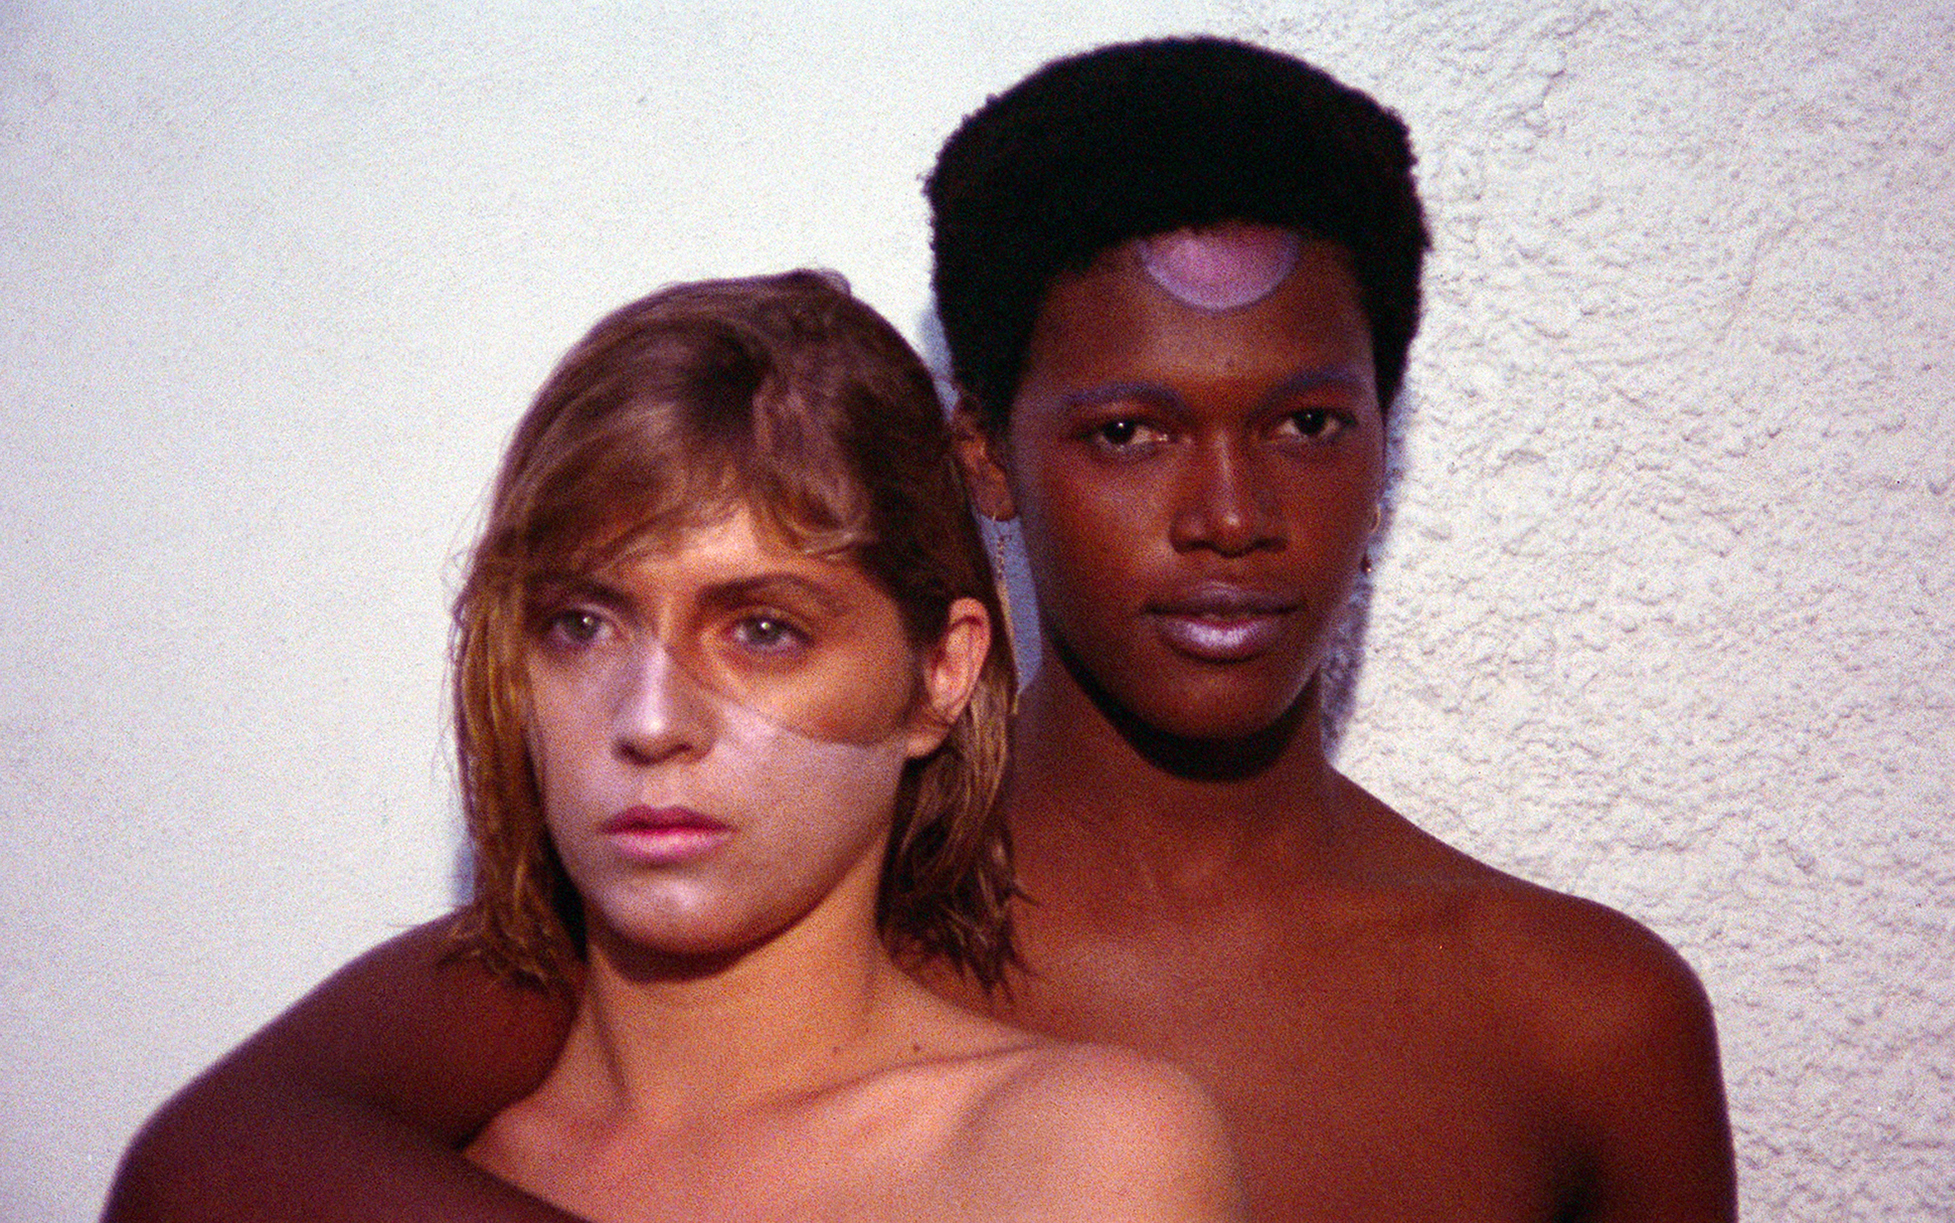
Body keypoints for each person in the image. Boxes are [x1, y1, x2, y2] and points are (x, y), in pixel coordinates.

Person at [105, 37, 1734, 1223]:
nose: (1231, 512)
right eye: (1128, 431)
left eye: (1308, 425)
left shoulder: (1585, 1020)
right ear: (987, 462)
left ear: (1390, 440)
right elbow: (208, 1163)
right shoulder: (769, 886)